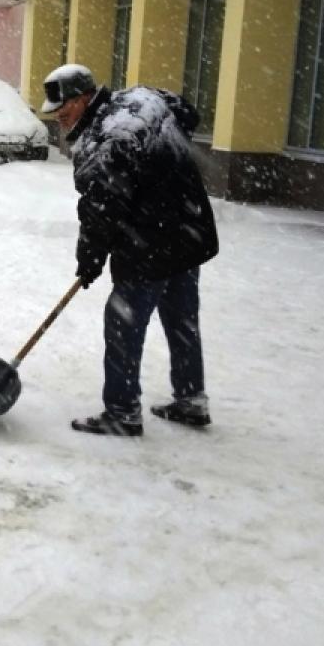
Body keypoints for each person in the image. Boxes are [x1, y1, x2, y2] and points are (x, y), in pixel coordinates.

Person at [41, 64, 218, 437]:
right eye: (56, 113)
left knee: (123, 323)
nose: (60, 118)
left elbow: (100, 211)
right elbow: (187, 112)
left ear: (84, 98)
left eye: (64, 109)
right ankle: (190, 399)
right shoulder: (141, 100)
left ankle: (122, 411)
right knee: (181, 317)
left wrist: (88, 261)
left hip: (149, 244)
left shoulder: (103, 141)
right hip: (188, 231)